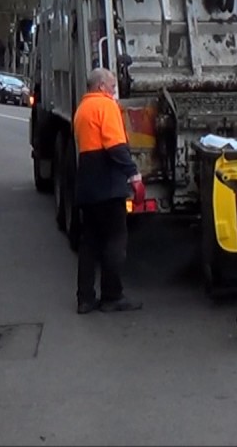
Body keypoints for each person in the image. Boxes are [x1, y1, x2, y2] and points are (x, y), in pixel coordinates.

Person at [72, 68, 145, 315]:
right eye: (112, 86)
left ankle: (85, 298)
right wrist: (133, 174)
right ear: (102, 86)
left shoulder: (82, 109)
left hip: (88, 184)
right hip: (108, 185)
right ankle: (112, 296)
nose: (115, 91)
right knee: (115, 240)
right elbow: (115, 145)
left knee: (89, 243)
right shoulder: (106, 106)